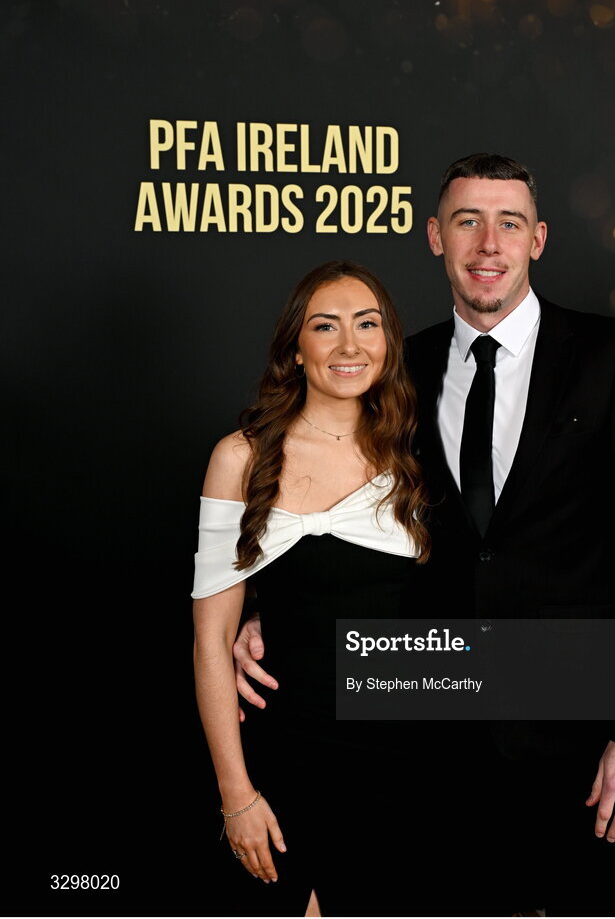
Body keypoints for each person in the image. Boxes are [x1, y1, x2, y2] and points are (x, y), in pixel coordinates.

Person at [233, 154, 615, 916]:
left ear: (537, 239)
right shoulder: (394, 369)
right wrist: (264, 612)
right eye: (467, 222)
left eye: (509, 223)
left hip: (575, 741)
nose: (488, 244)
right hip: (427, 742)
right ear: (434, 237)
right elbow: (335, 513)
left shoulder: (613, 358)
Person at [192, 260, 431, 917]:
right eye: (326, 327)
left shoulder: (419, 452)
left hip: (402, 760)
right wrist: (235, 793)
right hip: (284, 754)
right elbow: (211, 639)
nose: (350, 345)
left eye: (367, 325)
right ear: (296, 349)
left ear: (388, 341)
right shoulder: (240, 457)